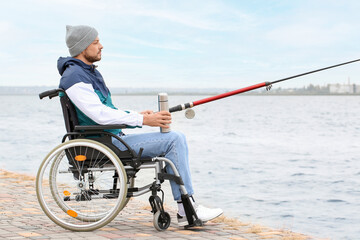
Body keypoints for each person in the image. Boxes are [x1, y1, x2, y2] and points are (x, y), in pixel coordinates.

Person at [58, 25, 223, 226]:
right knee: (174, 139)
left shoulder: (88, 73)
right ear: (82, 47)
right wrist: (143, 120)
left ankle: (185, 207)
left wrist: (136, 115)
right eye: (95, 42)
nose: (101, 46)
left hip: (111, 138)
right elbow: (99, 114)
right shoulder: (75, 77)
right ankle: (187, 210)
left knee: (174, 139)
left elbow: (106, 110)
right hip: (104, 144)